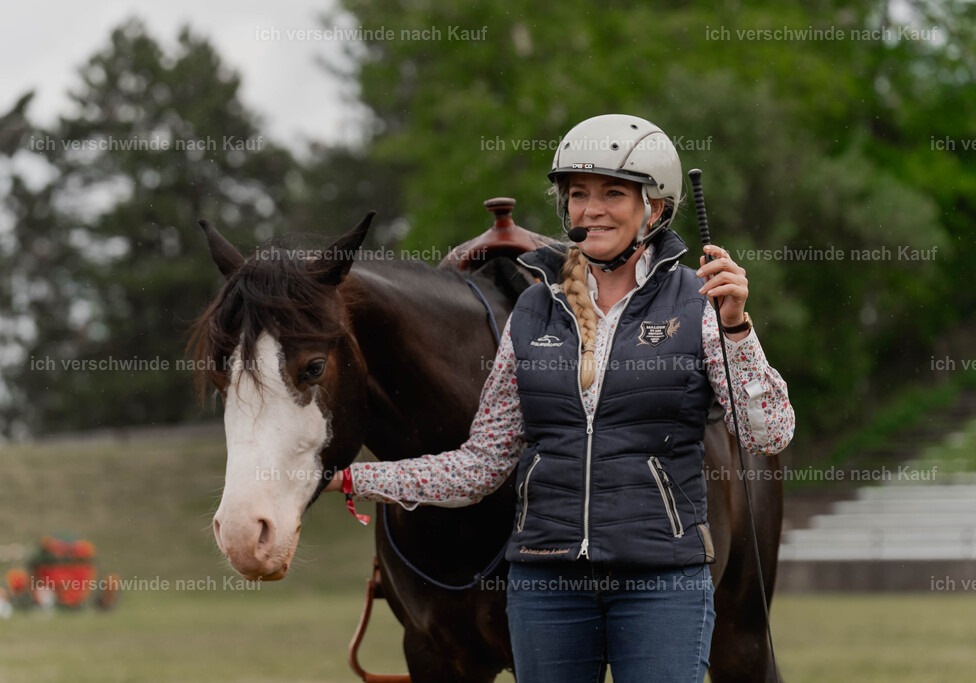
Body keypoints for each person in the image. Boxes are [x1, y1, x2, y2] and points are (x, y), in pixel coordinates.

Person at [326, 114, 795, 682]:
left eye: (613, 193)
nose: (591, 208)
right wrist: (353, 479)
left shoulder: (699, 306)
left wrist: (738, 329)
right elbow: (482, 465)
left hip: (663, 582)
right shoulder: (532, 313)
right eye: (578, 194)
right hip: (548, 588)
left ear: (656, 208)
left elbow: (768, 431)